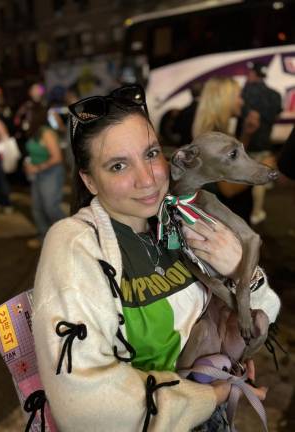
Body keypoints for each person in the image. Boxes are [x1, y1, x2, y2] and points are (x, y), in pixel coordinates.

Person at [32, 85, 280, 431]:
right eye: (118, 166)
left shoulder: (177, 217)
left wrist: (243, 274)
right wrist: (210, 396)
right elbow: (86, 408)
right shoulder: (75, 245)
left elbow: (264, 309)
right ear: (89, 180)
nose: (147, 179)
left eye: (150, 154)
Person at [192, 77, 260, 223]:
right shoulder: (215, 139)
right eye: (238, 96)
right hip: (227, 220)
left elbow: (233, 162)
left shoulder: (217, 134)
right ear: (224, 99)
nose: (242, 101)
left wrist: (246, 135)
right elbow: (228, 189)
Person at [239, 62, 282, 225]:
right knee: (259, 182)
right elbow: (276, 115)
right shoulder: (275, 95)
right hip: (263, 144)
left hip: (246, 144)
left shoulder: (245, 92)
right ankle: (256, 213)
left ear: (254, 74)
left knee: (243, 181)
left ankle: (247, 214)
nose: (248, 75)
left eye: (250, 72)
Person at [24, 105, 66, 249]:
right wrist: (29, 164)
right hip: (38, 174)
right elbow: (33, 152)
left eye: (29, 114)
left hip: (51, 173)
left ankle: (68, 235)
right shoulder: (34, 132)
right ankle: (44, 238)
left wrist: (38, 167)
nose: (26, 117)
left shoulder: (47, 133)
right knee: (37, 207)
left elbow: (57, 157)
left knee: (50, 207)